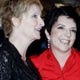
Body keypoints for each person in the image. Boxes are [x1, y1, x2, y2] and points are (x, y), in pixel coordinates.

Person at [30, 5, 80, 80]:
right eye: (61, 28)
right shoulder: (33, 64)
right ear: (48, 33)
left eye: (73, 30)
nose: (68, 34)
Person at [0, 0, 44, 80]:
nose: (42, 23)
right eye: (34, 16)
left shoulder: (27, 62)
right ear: (15, 21)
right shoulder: (3, 57)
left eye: (41, 17)